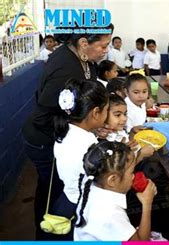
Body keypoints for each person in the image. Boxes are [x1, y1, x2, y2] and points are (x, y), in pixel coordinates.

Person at [22, 24, 113, 240]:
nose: (106, 51)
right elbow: (42, 115)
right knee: (52, 191)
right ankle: (47, 233)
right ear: (84, 43)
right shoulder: (66, 69)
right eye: (103, 45)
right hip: (44, 139)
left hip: (60, 133)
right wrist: (77, 128)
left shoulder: (81, 57)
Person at [53, 79, 109, 239]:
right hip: (81, 207)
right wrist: (137, 155)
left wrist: (94, 132)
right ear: (96, 112)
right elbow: (106, 180)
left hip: (65, 200)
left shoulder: (65, 131)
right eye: (106, 110)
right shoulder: (88, 145)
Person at [74, 141, 158, 241]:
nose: (133, 176)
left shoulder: (92, 178)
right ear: (113, 180)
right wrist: (147, 203)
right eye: (131, 172)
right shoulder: (111, 215)